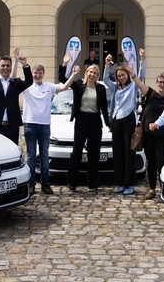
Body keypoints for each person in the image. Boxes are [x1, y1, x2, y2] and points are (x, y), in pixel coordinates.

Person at [23, 55, 78, 195]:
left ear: (43, 74)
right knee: (30, 156)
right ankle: (31, 184)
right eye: (35, 73)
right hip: (30, 124)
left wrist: (73, 74)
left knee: (44, 156)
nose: (37, 75)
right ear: (32, 74)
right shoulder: (27, 86)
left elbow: (65, 87)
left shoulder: (49, 86)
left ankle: (45, 183)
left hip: (45, 125)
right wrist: (21, 62)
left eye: (40, 73)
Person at [130, 68, 164, 201]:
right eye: (160, 82)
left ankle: (163, 189)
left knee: (161, 161)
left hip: (163, 134)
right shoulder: (150, 93)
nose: (162, 84)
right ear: (156, 82)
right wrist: (133, 74)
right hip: (148, 133)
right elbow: (139, 84)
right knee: (151, 161)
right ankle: (152, 189)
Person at [59, 63, 110, 191]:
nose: (92, 75)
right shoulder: (78, 85)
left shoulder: (101, 89)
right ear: (86, 73)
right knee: (77, 152)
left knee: (94, 153)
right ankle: (72, 181)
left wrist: (108, 124)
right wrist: (65, 65)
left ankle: (92, 183)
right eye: (90, 72)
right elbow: (62, 79)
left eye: (94, 73)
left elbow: (104, 108)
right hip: (81, 120)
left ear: (97, 76)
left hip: (95, 121)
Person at [103, 56, 139, 195]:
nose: (121, 77)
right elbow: (106, 80)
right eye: (119, 76)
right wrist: (107, 65)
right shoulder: (116, 88)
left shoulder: (133, 86)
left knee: (128, 152)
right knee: (117, 152)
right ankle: (120, 183)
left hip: (128, 119)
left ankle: (129, 183)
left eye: (123, 75)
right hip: (117, 120)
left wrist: (140, 60)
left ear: (127, 75)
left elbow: (141, 76)